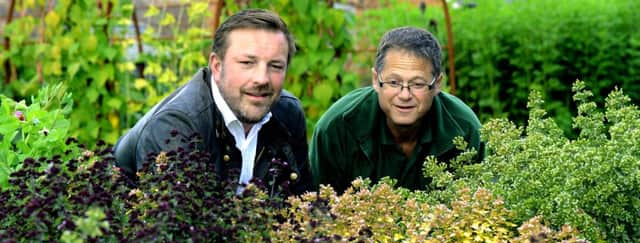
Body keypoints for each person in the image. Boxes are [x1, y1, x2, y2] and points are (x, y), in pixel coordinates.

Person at [114, 9, 312, 195]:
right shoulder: (176, 127)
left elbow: (303, 207)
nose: (262, 79)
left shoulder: (288, 113)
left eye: (275, 66)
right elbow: (175, 225)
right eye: (247, 63)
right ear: (217, 66)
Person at [309, 26, 485, 194]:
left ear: (437, 84)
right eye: (394, 82)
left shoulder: (465, 127)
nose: (405, 95)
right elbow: (317, 209)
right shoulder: (336, 128)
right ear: (375, 80)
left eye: (418, 84)